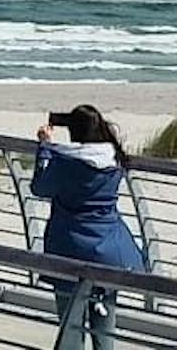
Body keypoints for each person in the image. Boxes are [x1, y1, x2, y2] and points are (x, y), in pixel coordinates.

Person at [33, 106, 145, 348]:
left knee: (70, 326)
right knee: (105, 326)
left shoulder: (65, 160)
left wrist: (44, 147)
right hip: (109, 248)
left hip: (69, 247)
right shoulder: (114, 158)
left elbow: (40, 187)